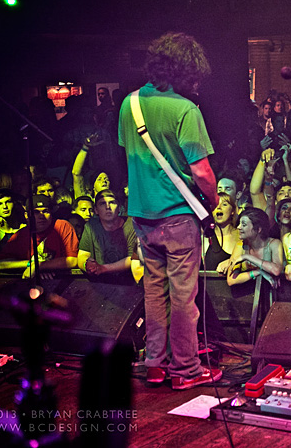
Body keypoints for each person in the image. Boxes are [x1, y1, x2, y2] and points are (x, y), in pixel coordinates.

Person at [118, 32, 221, 390]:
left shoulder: (128, 104)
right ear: (186, 69)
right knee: (183, 296)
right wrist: (214, 201)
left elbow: (128, 154)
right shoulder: (185, 110)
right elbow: (201, 171)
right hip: (177, 215)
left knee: (153, 291)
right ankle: (186, 370)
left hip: (142, 215)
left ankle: (155, 365)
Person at [0, 195, 78, 278]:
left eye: (46, 211)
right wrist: (31, 265)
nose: (41, 216)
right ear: (26, 215)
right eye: (36, 212)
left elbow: (73, 260)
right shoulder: (22, 234)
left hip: (60, 282)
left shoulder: (62, 226)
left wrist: (39, 266)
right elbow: (0, 264)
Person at [77, 190, 137, 284]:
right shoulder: (91, 226)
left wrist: (103, 268)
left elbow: (132, 259)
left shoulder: (131, 225)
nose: (107, 207)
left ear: (120, 208)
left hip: (127, 284)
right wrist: (87, 265)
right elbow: (82, 255)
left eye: (112, 202)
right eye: (102, 203)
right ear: (96, 210)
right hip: (99, 284)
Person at [227, 207, 283, 287]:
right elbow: (231, 280)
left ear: (258, 229)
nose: (239, 227)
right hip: (248, 295)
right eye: (239, 224)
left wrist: (247, 257)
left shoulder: (274, 244)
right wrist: (258, 272)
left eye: (244, 224)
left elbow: (276, 270)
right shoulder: (240, 246)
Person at [202, 193, 240, 273]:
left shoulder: (241, 235)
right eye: (215, 205)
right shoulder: (206, 237)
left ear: (232, 211)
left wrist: (230, 262)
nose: (219, 207)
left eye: (224, 204)